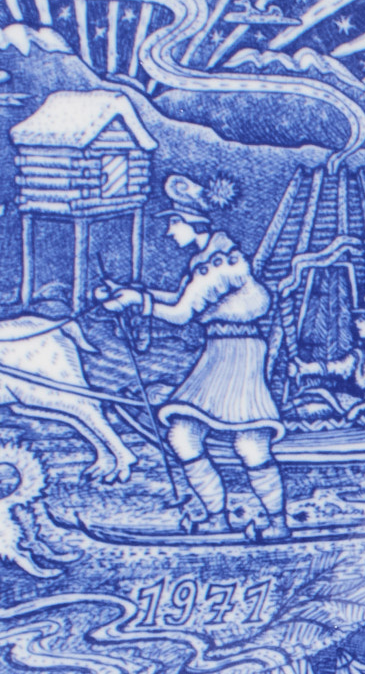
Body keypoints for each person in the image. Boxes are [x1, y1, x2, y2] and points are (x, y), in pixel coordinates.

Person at [102, 176, 287, 534]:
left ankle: (278, 523)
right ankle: (217, 516)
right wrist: (130, 294)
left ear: (192, 222)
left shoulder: (219, 265)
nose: (170, 232)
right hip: (220, 351)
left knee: (250, 444)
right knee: (183, 435)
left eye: (175, 222)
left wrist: (137, 301)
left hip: (238, 354)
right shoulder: (210, 258)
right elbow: (182, 298)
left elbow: (182, 312)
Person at [293, 310, 365, 422]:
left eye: (361, 319)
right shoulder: (359, 353)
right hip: (353, 401)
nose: (356, 323)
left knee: (310, 409)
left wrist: (362, 407)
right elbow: (338, 367)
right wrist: (306, 369)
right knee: (305, 399)